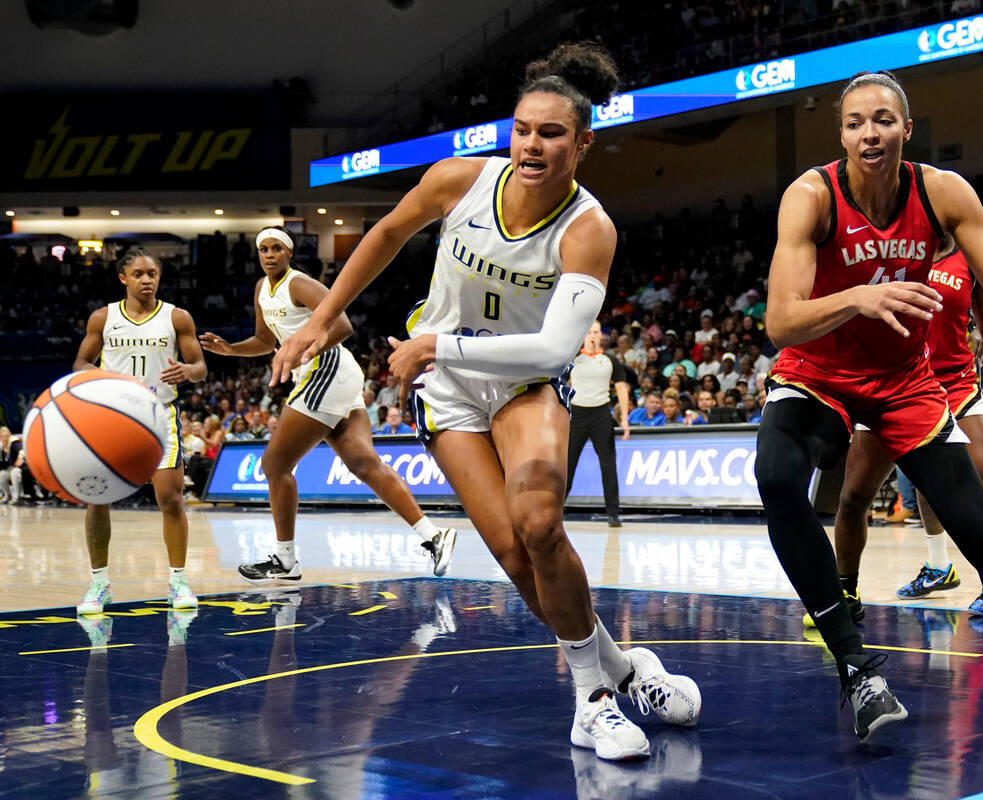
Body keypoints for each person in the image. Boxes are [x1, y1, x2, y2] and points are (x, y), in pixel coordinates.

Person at [270, 43, 700, 762]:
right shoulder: (458, 181)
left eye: (553, 133)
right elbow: (385, 233)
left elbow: (553, 351)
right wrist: (321, 317)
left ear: (583, 142)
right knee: (509, 551)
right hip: (449, 392)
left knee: (539, 522)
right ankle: (624, 670)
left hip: (523, 380)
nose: (533, 144)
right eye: (524, 128)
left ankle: (591, 702)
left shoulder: (588, 229)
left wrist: (438, 346)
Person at [758, 70, 983, 742]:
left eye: (882, 119)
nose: (868, 132)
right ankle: (856, 666)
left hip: (907, 381)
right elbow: (781, 322)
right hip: (819, 371)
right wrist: (858, 298)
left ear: (907, 128)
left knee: (976, 523)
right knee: (778, 479)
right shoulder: (811, 196)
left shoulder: (943, 193)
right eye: (854, 122)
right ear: (842, 134)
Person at [200, 228, 457, 582]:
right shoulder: (262, 289)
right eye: (263, 249)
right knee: (363, 462)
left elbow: (342, 325)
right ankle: (433, 535)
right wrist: (231, 349)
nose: (269, 254)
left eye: (277, 248)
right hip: (330, 375)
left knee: (275, 463)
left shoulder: (299, 283)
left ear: (289, 253)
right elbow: (264, 340)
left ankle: (286, 560)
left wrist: (304, 351)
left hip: (327, 369)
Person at [832, 241, 983, 624]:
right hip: (892, 385)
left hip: (954, 381)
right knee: (853, 497)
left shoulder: (968, 255)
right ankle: (844, 592)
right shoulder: (883, 250)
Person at [72, 250, 208, 615]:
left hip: (160, 415)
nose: (147, 280)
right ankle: (99, 583)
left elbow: (200, 367)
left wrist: (187, 371)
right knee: (98, 499)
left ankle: (178, 581)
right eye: (139, 274)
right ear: (123, 278)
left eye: (153, 274)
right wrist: (106, 377)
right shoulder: (103, 317)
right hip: (113, 418)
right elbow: (81, 363)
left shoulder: (176, 316)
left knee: (171, 498)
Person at [566, 320, 631, 527]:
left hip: (602, 413)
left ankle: (613, 513)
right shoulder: (573, 358)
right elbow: (557, 383)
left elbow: (621, 387)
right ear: (583, 335)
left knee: (608, 465)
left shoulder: (609, 358)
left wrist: (625, 418)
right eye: (590, 332)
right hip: (577, 413)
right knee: (567, 465)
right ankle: (555, 509)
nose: (593, 335)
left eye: (596, 332)